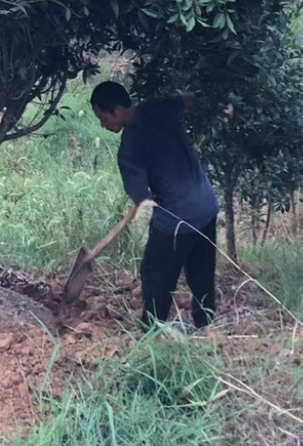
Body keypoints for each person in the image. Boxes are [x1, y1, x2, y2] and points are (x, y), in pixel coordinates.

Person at [90, 79, 221, 331]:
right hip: (206, 205)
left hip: (177, 218)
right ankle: (207, 328)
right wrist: (223, 109)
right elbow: (190, 101)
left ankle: (152, 331)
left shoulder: (130, 144)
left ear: (117, 111)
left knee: (155, 274)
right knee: (201, 274)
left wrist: (144, 202)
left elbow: (142, 197)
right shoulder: (157, 106)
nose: (102, 125)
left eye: (103, 118)